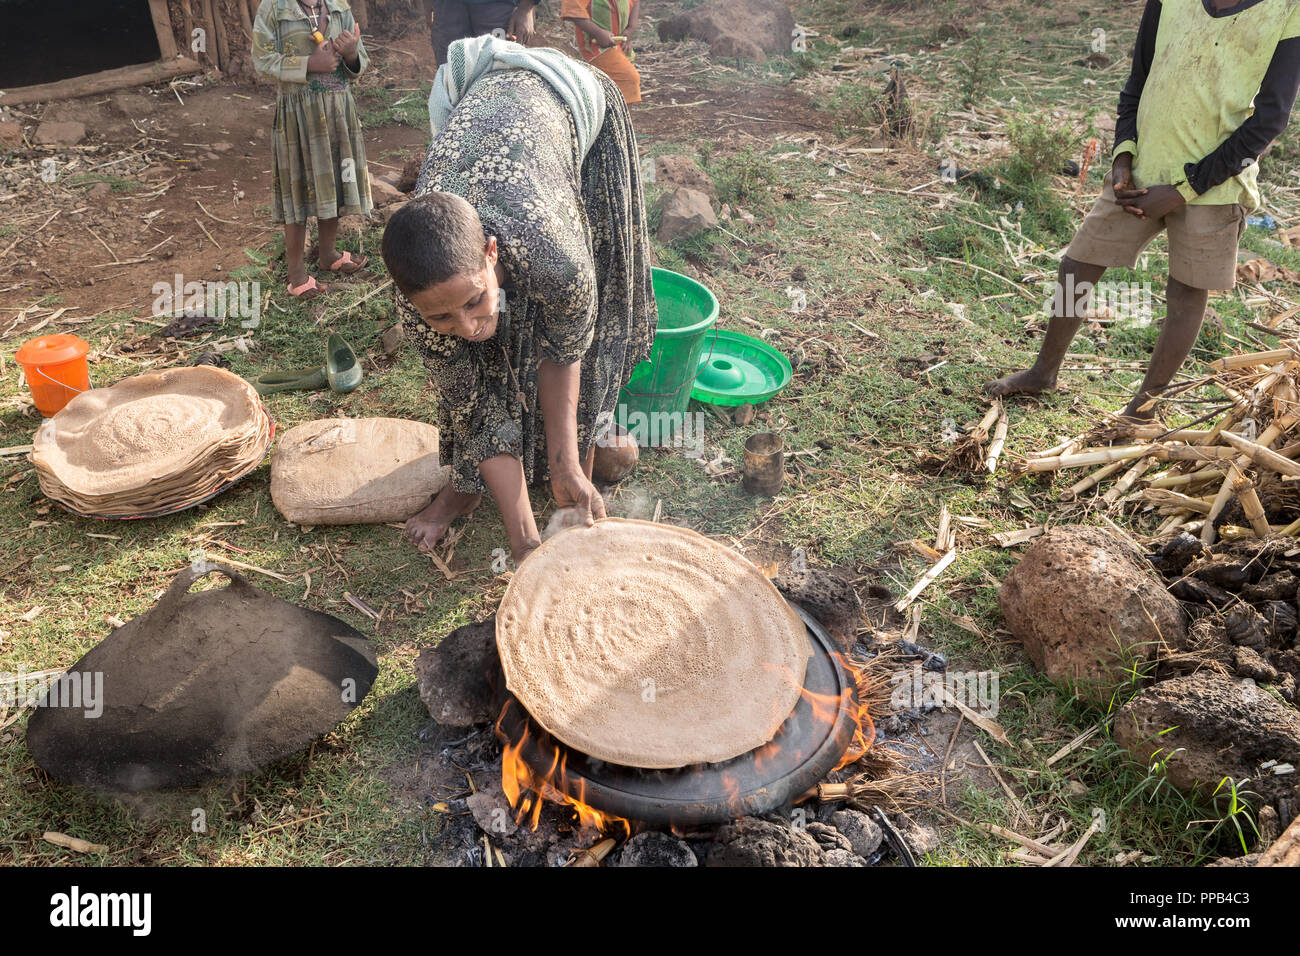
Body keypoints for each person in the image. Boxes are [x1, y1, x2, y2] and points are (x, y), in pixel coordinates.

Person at [381, 36, 656, 562]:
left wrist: (566, 464)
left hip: (569, 109)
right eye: (440, 315)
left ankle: (571, 459)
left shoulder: (558, 257)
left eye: (471, 301)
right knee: (479, 363)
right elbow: (474, 407)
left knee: (567, 320)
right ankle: (468, 486)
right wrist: (524, 538)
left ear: (490, 251)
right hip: (486, 126)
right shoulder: (416, 303)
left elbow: (564, 349)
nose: (463, 325)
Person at [987, 0, 1300, 422]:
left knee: (1186, 294)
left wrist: (1186, 188)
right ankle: (1043, 372)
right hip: (1139, 175)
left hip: (1216, 185)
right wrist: (1122, 155)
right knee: (1077, 265)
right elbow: (1137, 83)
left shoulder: (1286, 10)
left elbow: (1270, 120)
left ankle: (1143, 409)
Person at [253, 0, 372, 301]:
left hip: (337, 110)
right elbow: (262, 60)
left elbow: (360, 63)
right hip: (298, 115)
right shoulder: (274, 8)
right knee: (300, 187)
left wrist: (352, 53)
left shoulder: (337, 6)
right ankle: (296, 275)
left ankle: (328, 254)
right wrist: (308, 65)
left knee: (332, 178)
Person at [561, 0, 641, 103]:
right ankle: (617, 116)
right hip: (595, 46)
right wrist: (598, 33)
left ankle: (615, 114)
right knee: (627, 77)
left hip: (619, 45)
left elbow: (636, 2)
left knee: (611, 87)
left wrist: (631, 28)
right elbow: (573, 9)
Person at [429, 0, 538, 66]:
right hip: (447, 7)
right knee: (450, 73)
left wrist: (526, 7)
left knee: (500, 71)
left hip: (498, 6)